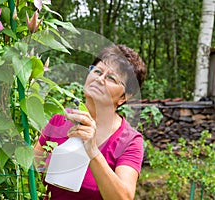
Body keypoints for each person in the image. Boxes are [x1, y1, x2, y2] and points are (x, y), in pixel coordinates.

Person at [34, 44, 146, 200]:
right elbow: (31, 170)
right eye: (98, 71)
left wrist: (93, 151)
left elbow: (124, 198)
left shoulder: (129, 141)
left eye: (111, 78)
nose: (100, 79)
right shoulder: (60, 119)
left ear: (124, 97)